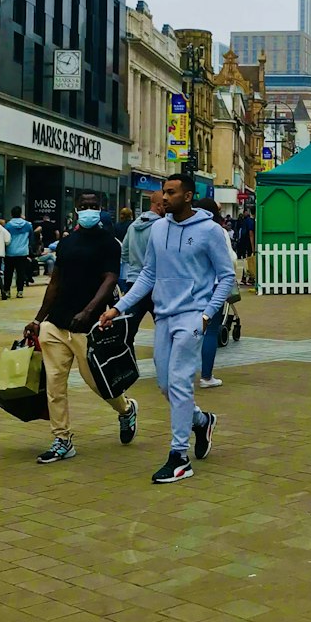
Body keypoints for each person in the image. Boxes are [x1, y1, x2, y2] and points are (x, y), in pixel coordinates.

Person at [100, 173, 236, 484]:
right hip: (163, 316)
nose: (164, 197)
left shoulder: (210, 231)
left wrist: (206, 314)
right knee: (164, 385)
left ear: (188, 196)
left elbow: (226, 276)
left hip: (192, 317)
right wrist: (118, 308)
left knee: (178, 382)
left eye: (171, 192)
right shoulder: (158, 229)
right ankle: (201, 421)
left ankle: (179, 457)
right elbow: (148, 274)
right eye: (164, 191)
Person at [24, 191, 138, 464]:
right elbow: (55, 283)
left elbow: (110, 280)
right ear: (76, 209)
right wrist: (39, 320)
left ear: (101, 210)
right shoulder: (66, 244)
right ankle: (62, 439)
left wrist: (88, 311)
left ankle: (126, 409)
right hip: (56, 323)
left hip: (89, 326)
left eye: (93, 206)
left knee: (99, 383)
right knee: (54, 385)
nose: (88, 209)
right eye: (84, 205)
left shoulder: (109, 244)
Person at [194, 197, 238, 390]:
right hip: (214, 287)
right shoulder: (217, 231)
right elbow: (230, 259)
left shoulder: (188, 229)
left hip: (191, 287)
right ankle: (206, 376)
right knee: (210, 331)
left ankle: (178, 375)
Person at [4, 206, 34, 298]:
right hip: (22, 253)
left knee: (8, 273)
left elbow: (5, 239)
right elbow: (31, 239)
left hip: (10, 252)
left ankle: (7, 291)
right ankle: (20, 291)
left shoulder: (8, 226)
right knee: (20, 273)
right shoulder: (28, 225)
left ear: (11, 214)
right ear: (20, 214)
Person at [236, 208, 256, 284]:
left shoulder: (245, 220)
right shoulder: (251, 221)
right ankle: (250, 278)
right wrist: (253, 247)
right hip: (248, 244)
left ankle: (244, 278)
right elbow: (251, 234)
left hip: (242, 243)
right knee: (249, 261)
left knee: (245, 261)